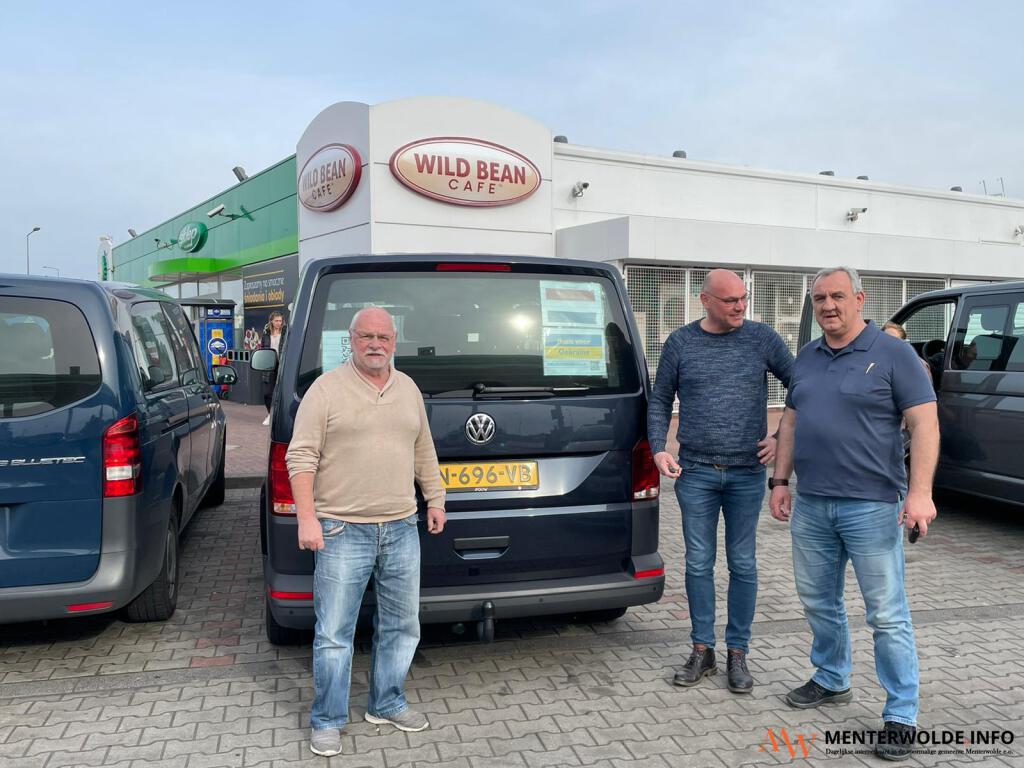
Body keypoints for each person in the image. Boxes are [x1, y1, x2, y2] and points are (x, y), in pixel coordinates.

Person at [769, 266, 939, 762]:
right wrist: (780, 481)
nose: (828, 305)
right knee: (818, 601)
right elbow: (791, 421)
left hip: (872, 505)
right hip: (813, 504)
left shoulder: (895, 354)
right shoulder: (807, 356)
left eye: (838, 296)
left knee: (886, 614)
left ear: (859, 299)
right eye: (820, 298)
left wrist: (920, 493)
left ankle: (901, 713)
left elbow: (924, 425)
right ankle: (831, 677)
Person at [286, 306, 447, 758]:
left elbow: (423, 449)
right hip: (341, 529)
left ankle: (387, 703)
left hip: (402, 526)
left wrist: (435, 499)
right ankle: (327, 720)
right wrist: (306, 518)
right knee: (335, 633)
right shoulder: (325, 390)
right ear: (351, 340)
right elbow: (301, 457)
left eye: (383, 337)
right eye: (366, 336)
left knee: (401, 624)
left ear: (394, 341)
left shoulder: (408, 388)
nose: (375, 344)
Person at [648, 269, 794, 694]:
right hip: (695, 472)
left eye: (744, 298)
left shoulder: (762, 338)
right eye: (730, 300)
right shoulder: (680, 343)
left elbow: (803, 386)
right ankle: (702, 649)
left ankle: (738, 653)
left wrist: (781, 437)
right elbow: (660, 400)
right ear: (705, 300)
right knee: (698, 563)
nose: (740, 307)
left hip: (747, 473)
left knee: (743, 564)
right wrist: (658, 448)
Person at [260, 311, 287, 426]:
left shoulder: (286, 332)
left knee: (282, 392)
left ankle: (281, 415)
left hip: (282, 365)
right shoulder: (266, 333)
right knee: (267, 393)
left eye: (280, 321)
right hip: (269, 366)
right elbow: (262, 349)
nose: (278, 323)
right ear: (271, 321)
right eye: (276, 321)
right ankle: (270, 414)